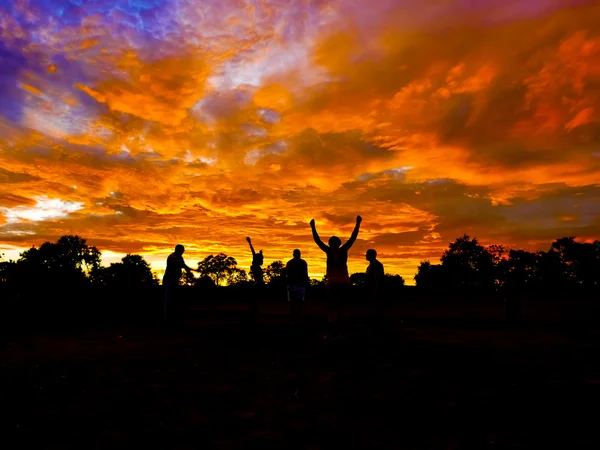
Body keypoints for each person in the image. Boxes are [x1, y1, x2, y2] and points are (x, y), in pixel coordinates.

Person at [310, 215, 362, 339]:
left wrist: (313, 227)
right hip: (343, 282)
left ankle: (336, 331)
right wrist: (358, 224)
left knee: (333, 307)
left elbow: (317, 241)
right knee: (341, 307)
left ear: (331, 243)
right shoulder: (343, 250)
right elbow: (353, 238)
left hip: (334, 283)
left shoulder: (331, 251)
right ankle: (340, 332)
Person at [162, 244, 194, 321]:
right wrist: (188, 268)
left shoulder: (180, 257)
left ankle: (173, 315)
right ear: (178, 250)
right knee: (167, 298)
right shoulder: (172, 257)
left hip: (175, 280)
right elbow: (181, 264)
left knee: (174, 298)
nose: (182, 252)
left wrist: (189, 272)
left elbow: (183, 265)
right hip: (168, 281)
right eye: (181, 250)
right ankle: (166, 316)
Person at [286, 249, 309, 327]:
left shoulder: (302, 263)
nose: (297, 255)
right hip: (293, 284)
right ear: (293, 254)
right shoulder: (290, 263)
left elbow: (305, 274)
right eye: (296, 254)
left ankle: (298, 318)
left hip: (300, 285)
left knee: (299, 302)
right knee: (293, 303)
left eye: (298, 254)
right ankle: (294, 319)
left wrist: (305, 283)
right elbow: (288, 275)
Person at [365, 249, 385, 325]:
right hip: (372, 289)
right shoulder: (372, 265)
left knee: (375, 306)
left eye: (367, 254)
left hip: (374, 289)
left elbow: (377, 278)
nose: (365, 255)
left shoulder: (376, 265)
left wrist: (376, 289)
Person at [246, 237, 264, 318]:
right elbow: (253, 252)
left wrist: (250, 243)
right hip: (258, 283)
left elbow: (253, 252)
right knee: (255, 298)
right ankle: (255, 309)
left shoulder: (256, 267)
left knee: (254, 298)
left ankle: (254, 309)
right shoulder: (256, 267)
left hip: (258, 283)